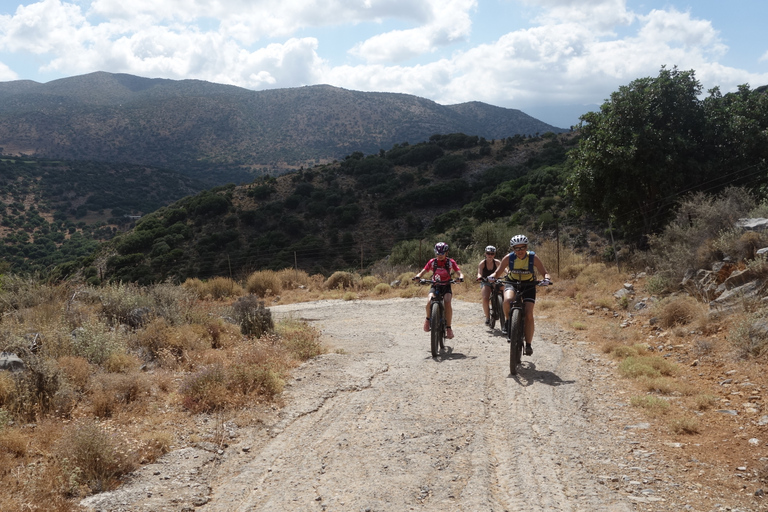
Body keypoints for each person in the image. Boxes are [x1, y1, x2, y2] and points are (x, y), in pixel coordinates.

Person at [489, 234, 550, 356]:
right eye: (517, 248)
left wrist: (546, 279)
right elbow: (498, 272)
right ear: (513, 249)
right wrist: (492, 277)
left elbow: (545, 273)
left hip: (529, 285)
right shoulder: (509, 258)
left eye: (522, 247)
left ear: (526, 247)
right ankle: (508, 321)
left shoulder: (533, 257)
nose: (520, 251)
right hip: (512, 283)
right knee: (507, 301)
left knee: (528, 314)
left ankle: (528, 344)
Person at [413, 242, 465, 339]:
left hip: (446, 285)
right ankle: (428, 320)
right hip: (435, 285)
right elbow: (423, 271)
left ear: (446, 253)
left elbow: (459, 272)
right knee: (429, 300)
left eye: (442, 253)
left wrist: (460, 278)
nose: (440, 255)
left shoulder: (450, 262)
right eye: (438, 253)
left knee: (447, 302)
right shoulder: (432, 262)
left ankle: (448, 328)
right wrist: (418, 276)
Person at [476, 245, 501, 326]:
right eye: (488, 253)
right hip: (485, 281)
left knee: (505, 292)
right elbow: (479, 272)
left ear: (494, 254)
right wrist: (479, 277)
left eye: (492, 253)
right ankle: (487, 317)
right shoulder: (482, 263)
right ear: (485, 254)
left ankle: (502, 307)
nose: (490, 255)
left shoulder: (497, 262)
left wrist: (509, 274)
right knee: (485, 298)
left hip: (495, 280)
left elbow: (504, 269)